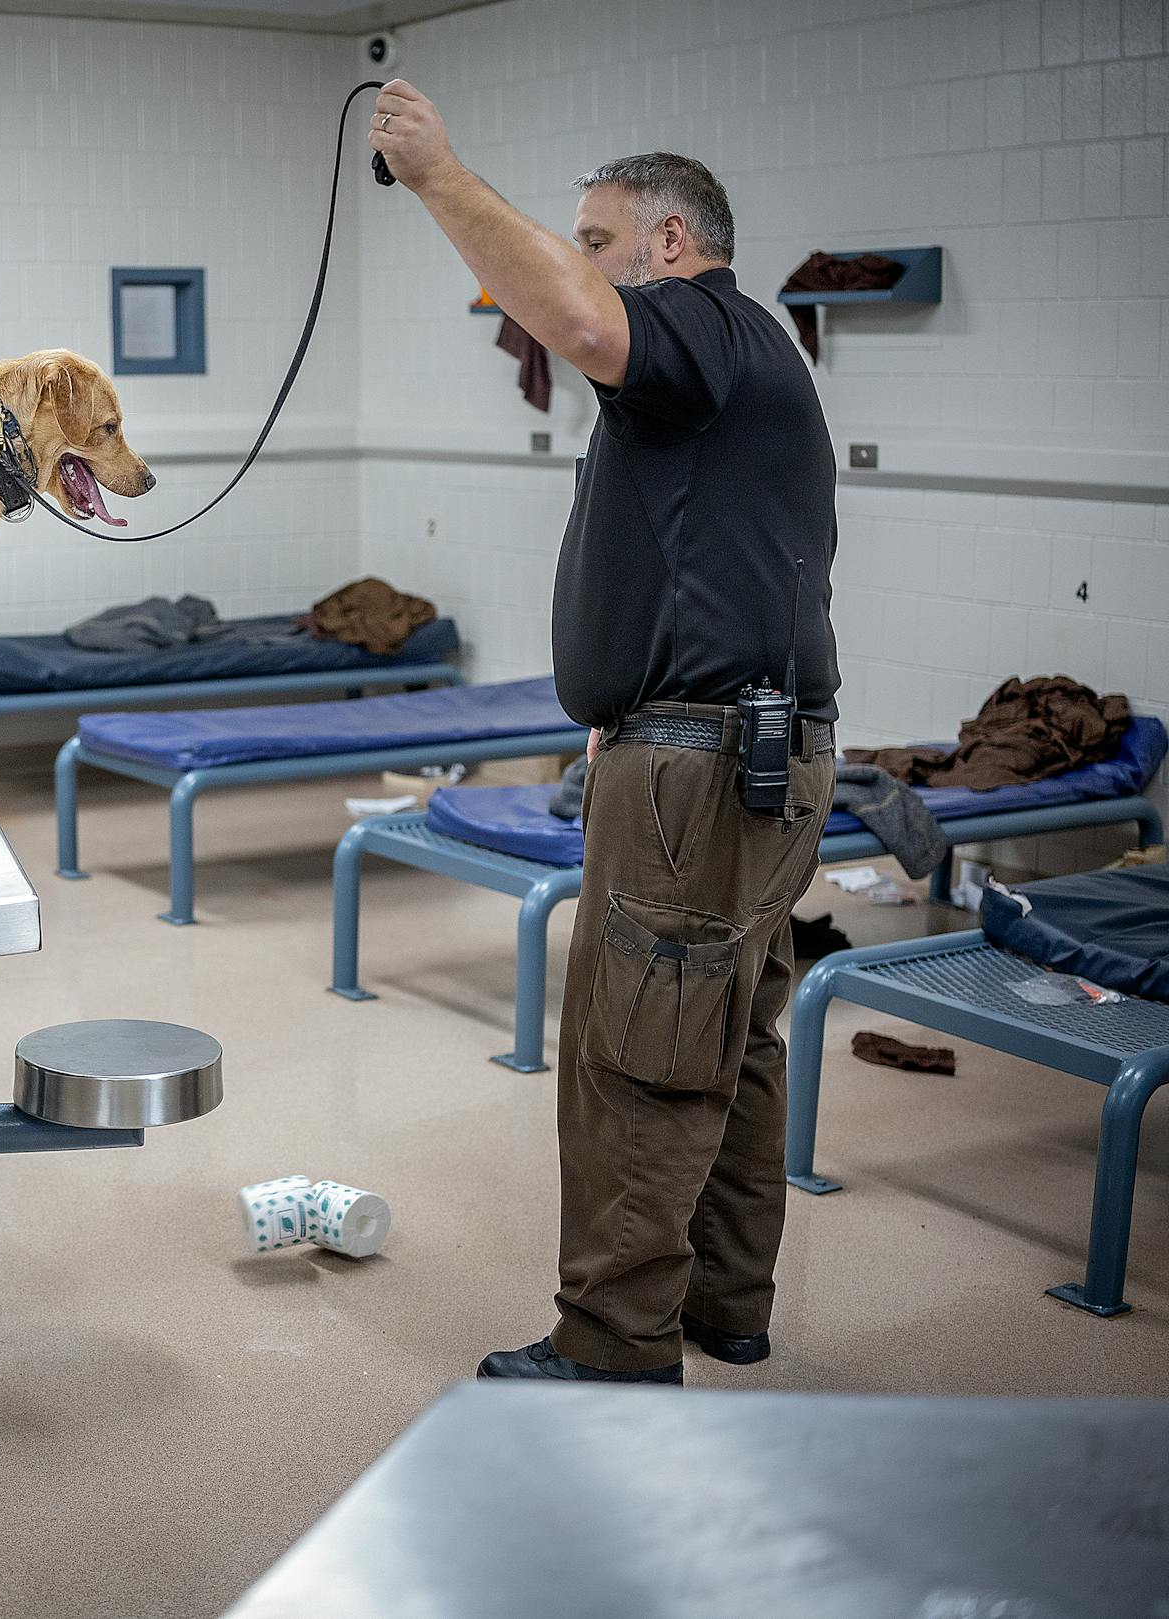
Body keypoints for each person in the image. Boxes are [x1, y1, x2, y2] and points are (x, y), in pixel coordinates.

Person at [370, 87, 840, 1383]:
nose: (578, 261)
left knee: (640, 1060)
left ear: (673, 241)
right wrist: (627, 707)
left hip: (703, 766)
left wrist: (439, 178)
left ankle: (613, 1347)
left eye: (598, 235)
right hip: (751, 745)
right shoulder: (746, 355)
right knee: (731, 1037)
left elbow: (576, 313)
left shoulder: (692, 324)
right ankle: (725, 1301)